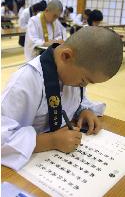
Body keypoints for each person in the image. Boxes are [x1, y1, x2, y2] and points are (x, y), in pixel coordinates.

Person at [1, 27, 123, 171]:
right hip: (30, 165)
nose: (83, 85)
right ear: (66, 56)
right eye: (84, 80)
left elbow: (77, 100)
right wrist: (51, 141)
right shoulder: (26, 80)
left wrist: (84, 110)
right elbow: (3, 139)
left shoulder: (70, 70)